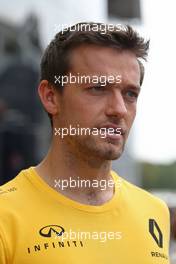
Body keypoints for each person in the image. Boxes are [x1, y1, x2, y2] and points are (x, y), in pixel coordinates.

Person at [0, 22, 170, 263]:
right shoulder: (5, 216)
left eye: (130, 94)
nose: (119, 109)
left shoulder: (154, 211)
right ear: (50, 97)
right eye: (98, 88)